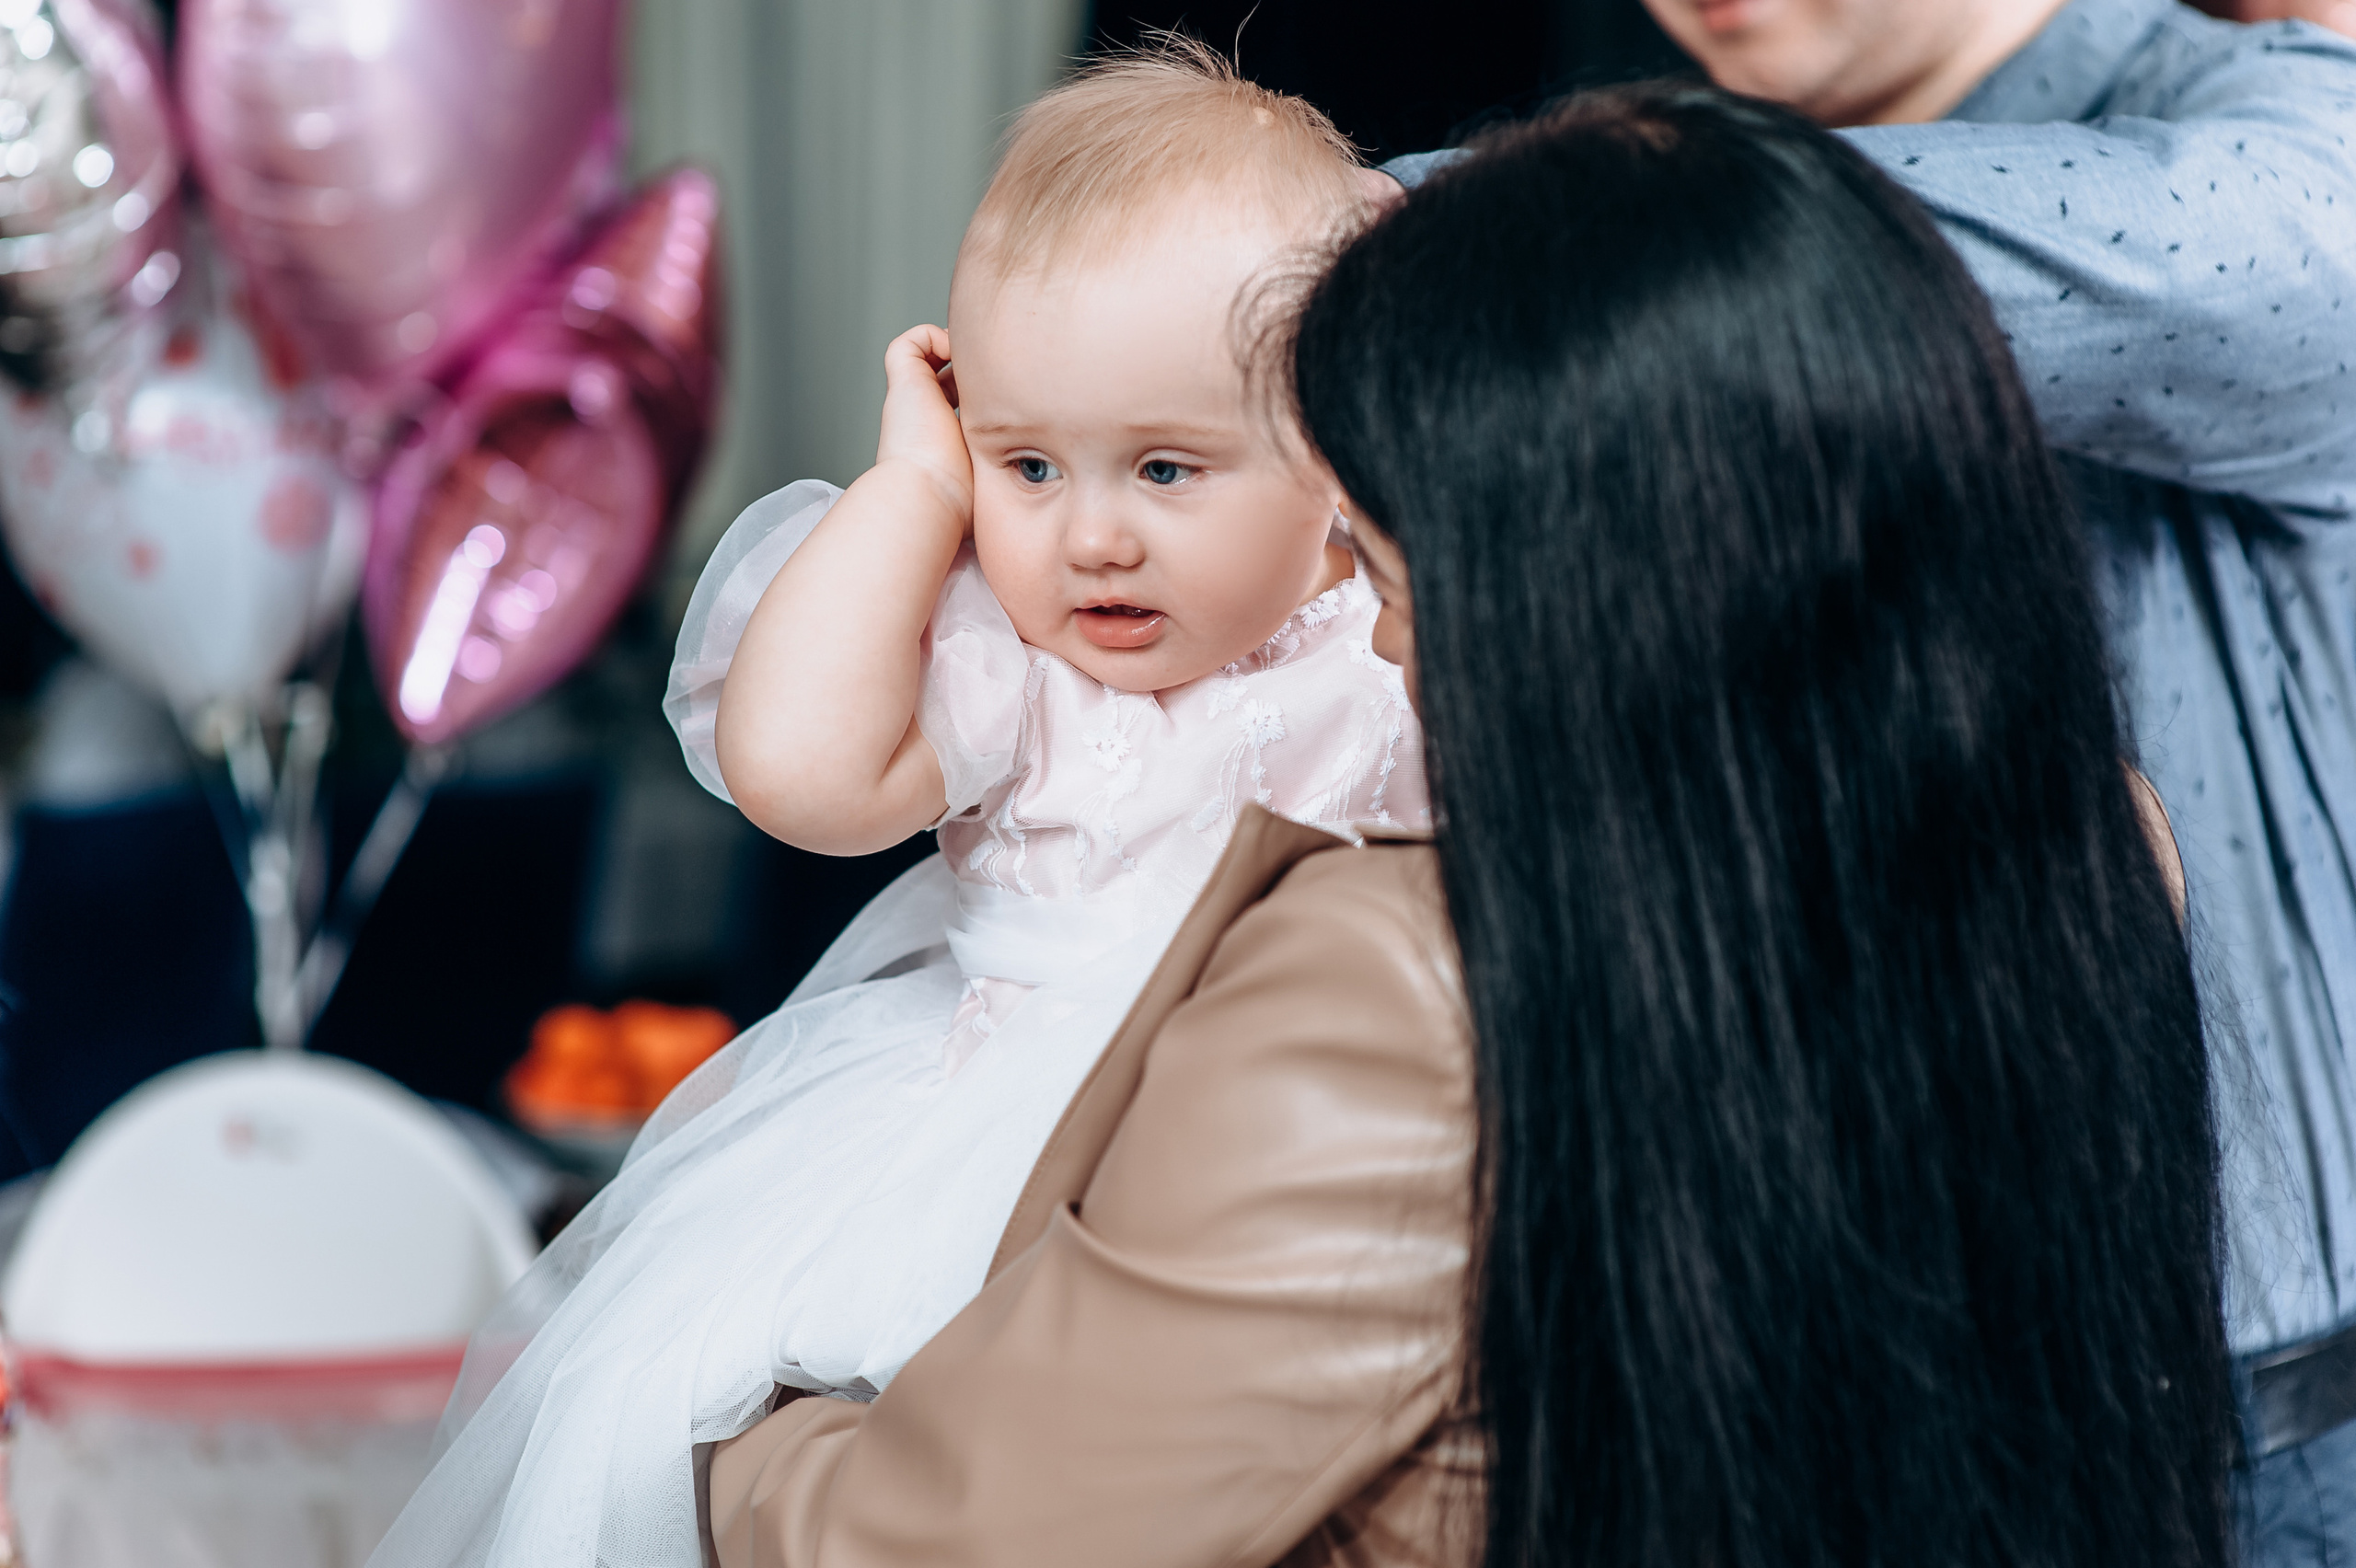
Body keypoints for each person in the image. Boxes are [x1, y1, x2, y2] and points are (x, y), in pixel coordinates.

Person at [704, 83, 2230, 1568]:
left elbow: (932, 1542)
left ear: (1580, 572)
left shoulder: (1402, 987)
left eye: (1390, 560)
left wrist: (726, 1432)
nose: (1374, 638)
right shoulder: (2092, 852)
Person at [364, 47, 1426, 1568]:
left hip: (1279, 1145)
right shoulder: (1022, 663)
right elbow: (800, 776)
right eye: (1031, 461)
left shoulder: (1383, 640)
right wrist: (916, 493)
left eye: (1169, 468)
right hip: (987, 1148)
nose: (1093, 536)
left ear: (1338, 459)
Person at [1380, 1, 2356, 1549]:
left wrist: (1385, 230)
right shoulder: (1651, 184)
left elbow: (2208, 265)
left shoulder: (2287, 120)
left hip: (2285, 1453)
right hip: (1827, 1413)